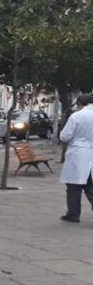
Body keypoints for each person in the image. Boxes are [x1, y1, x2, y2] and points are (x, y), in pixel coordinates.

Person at [60, 93, 93, 223]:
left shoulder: (77, 116)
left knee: (74, 186)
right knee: (90, 184)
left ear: (79, 103)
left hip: (78, 153)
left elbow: (65, 136)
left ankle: (73, 214)